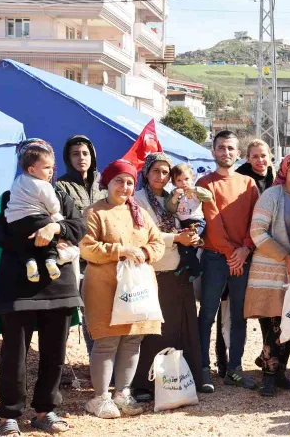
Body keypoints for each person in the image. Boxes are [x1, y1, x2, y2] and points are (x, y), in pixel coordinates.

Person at [0, 140, 86, 437]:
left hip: (59, 289)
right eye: (45, 164)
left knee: (54, 354)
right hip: (19, 289)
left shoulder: (62, 195)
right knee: (14, 356)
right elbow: (4, 236)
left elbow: (79, 228)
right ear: (28, 167)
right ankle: (9, 414)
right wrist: (38, 233)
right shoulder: (10, 197)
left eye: (52, 163)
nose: (51, 168)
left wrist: (54, 228)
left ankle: (45, 410)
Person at [80, 159, 165, 419]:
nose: (125, 187)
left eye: (130, 182)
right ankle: (100, 398)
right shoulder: (94, 212)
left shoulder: (139, 211)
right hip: (104, 287)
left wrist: (145, 252)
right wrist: (121, 251)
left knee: (132, 340)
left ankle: (122, 393)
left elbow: (158, 242)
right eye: (119, 181)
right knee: (106, 342)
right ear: (108, 182)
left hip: (137, 289)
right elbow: (86, 247)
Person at [130, 154, 204, 401]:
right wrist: (176, 238)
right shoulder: (138, 199)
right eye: (156, 171)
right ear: (146, 173)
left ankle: (183, 379)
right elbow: (142, 235)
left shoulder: (174, 197)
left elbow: (187, 221)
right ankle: (145, 383)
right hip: (155, 270)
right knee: (155, 329)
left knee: (182, 327)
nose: (160, 177)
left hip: (178, 269)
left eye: (165, 172)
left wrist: (192, 236)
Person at [196, 131, 260, 393]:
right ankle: (202, 369)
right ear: (213, 152)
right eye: (221, 148)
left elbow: (255, 222)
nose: (226, 152)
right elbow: (212, 222)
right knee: (208, 315)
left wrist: (244, 250)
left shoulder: (248, 184)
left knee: (239, 316)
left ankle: (234, 369)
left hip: (242, 258)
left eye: (230, 148)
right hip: (214, 258)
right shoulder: (205, 183)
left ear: (238, 153)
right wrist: (231, 253)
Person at [243, 153, 290, 397]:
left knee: (288, 322)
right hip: (270, 269)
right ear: (284, 170)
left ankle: (277, 371)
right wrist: (284, 256)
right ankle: (269, 376)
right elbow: (257, 232)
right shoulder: (272, 195)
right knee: (274, 325)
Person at [226, 139, 274, 376]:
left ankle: (267, 354)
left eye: (263, 155)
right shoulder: (239, 179)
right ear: (247, 158)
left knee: (268, 309)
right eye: (254, 156)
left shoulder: (276, 178)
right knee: (238, 311)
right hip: (246, 249)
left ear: (270, 156)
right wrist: (245, 247)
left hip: (270, 251)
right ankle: (228, 364)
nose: (260, 160)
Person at [55, 135, 107, 357]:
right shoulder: (60, 185)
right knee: (66, 315)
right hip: (75, 259)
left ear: (92, 155)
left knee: (96, 314)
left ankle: (96, 363)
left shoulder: (103, 183)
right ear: (68, 158)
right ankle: (59, 366)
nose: (81, 158)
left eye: (85, 153)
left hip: (103, 257)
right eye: (75, 154)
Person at [4, 140, 67, 283]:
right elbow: (54, 207)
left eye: (52, 167)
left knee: (22, 243)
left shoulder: (18, 181)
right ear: (32, 170)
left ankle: (29, 262)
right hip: (38, 219)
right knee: (50, 237)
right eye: (46, 167)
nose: (51, 171)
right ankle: (50, 260)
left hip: (15, 222)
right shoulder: (44, 185)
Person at [165, 163, 213, 281]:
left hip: (196, 222)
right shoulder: (174, 193)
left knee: (191, 244)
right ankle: (186, 265)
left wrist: (195, 189)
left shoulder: (196, 190)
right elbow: (170, 208)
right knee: (183, 248)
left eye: (186, 179)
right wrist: (175, 197)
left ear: (192, 177)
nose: (183, 183)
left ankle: (195, 269)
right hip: (183, 224)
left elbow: (208, 196)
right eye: (179, 180)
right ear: (174, 182)